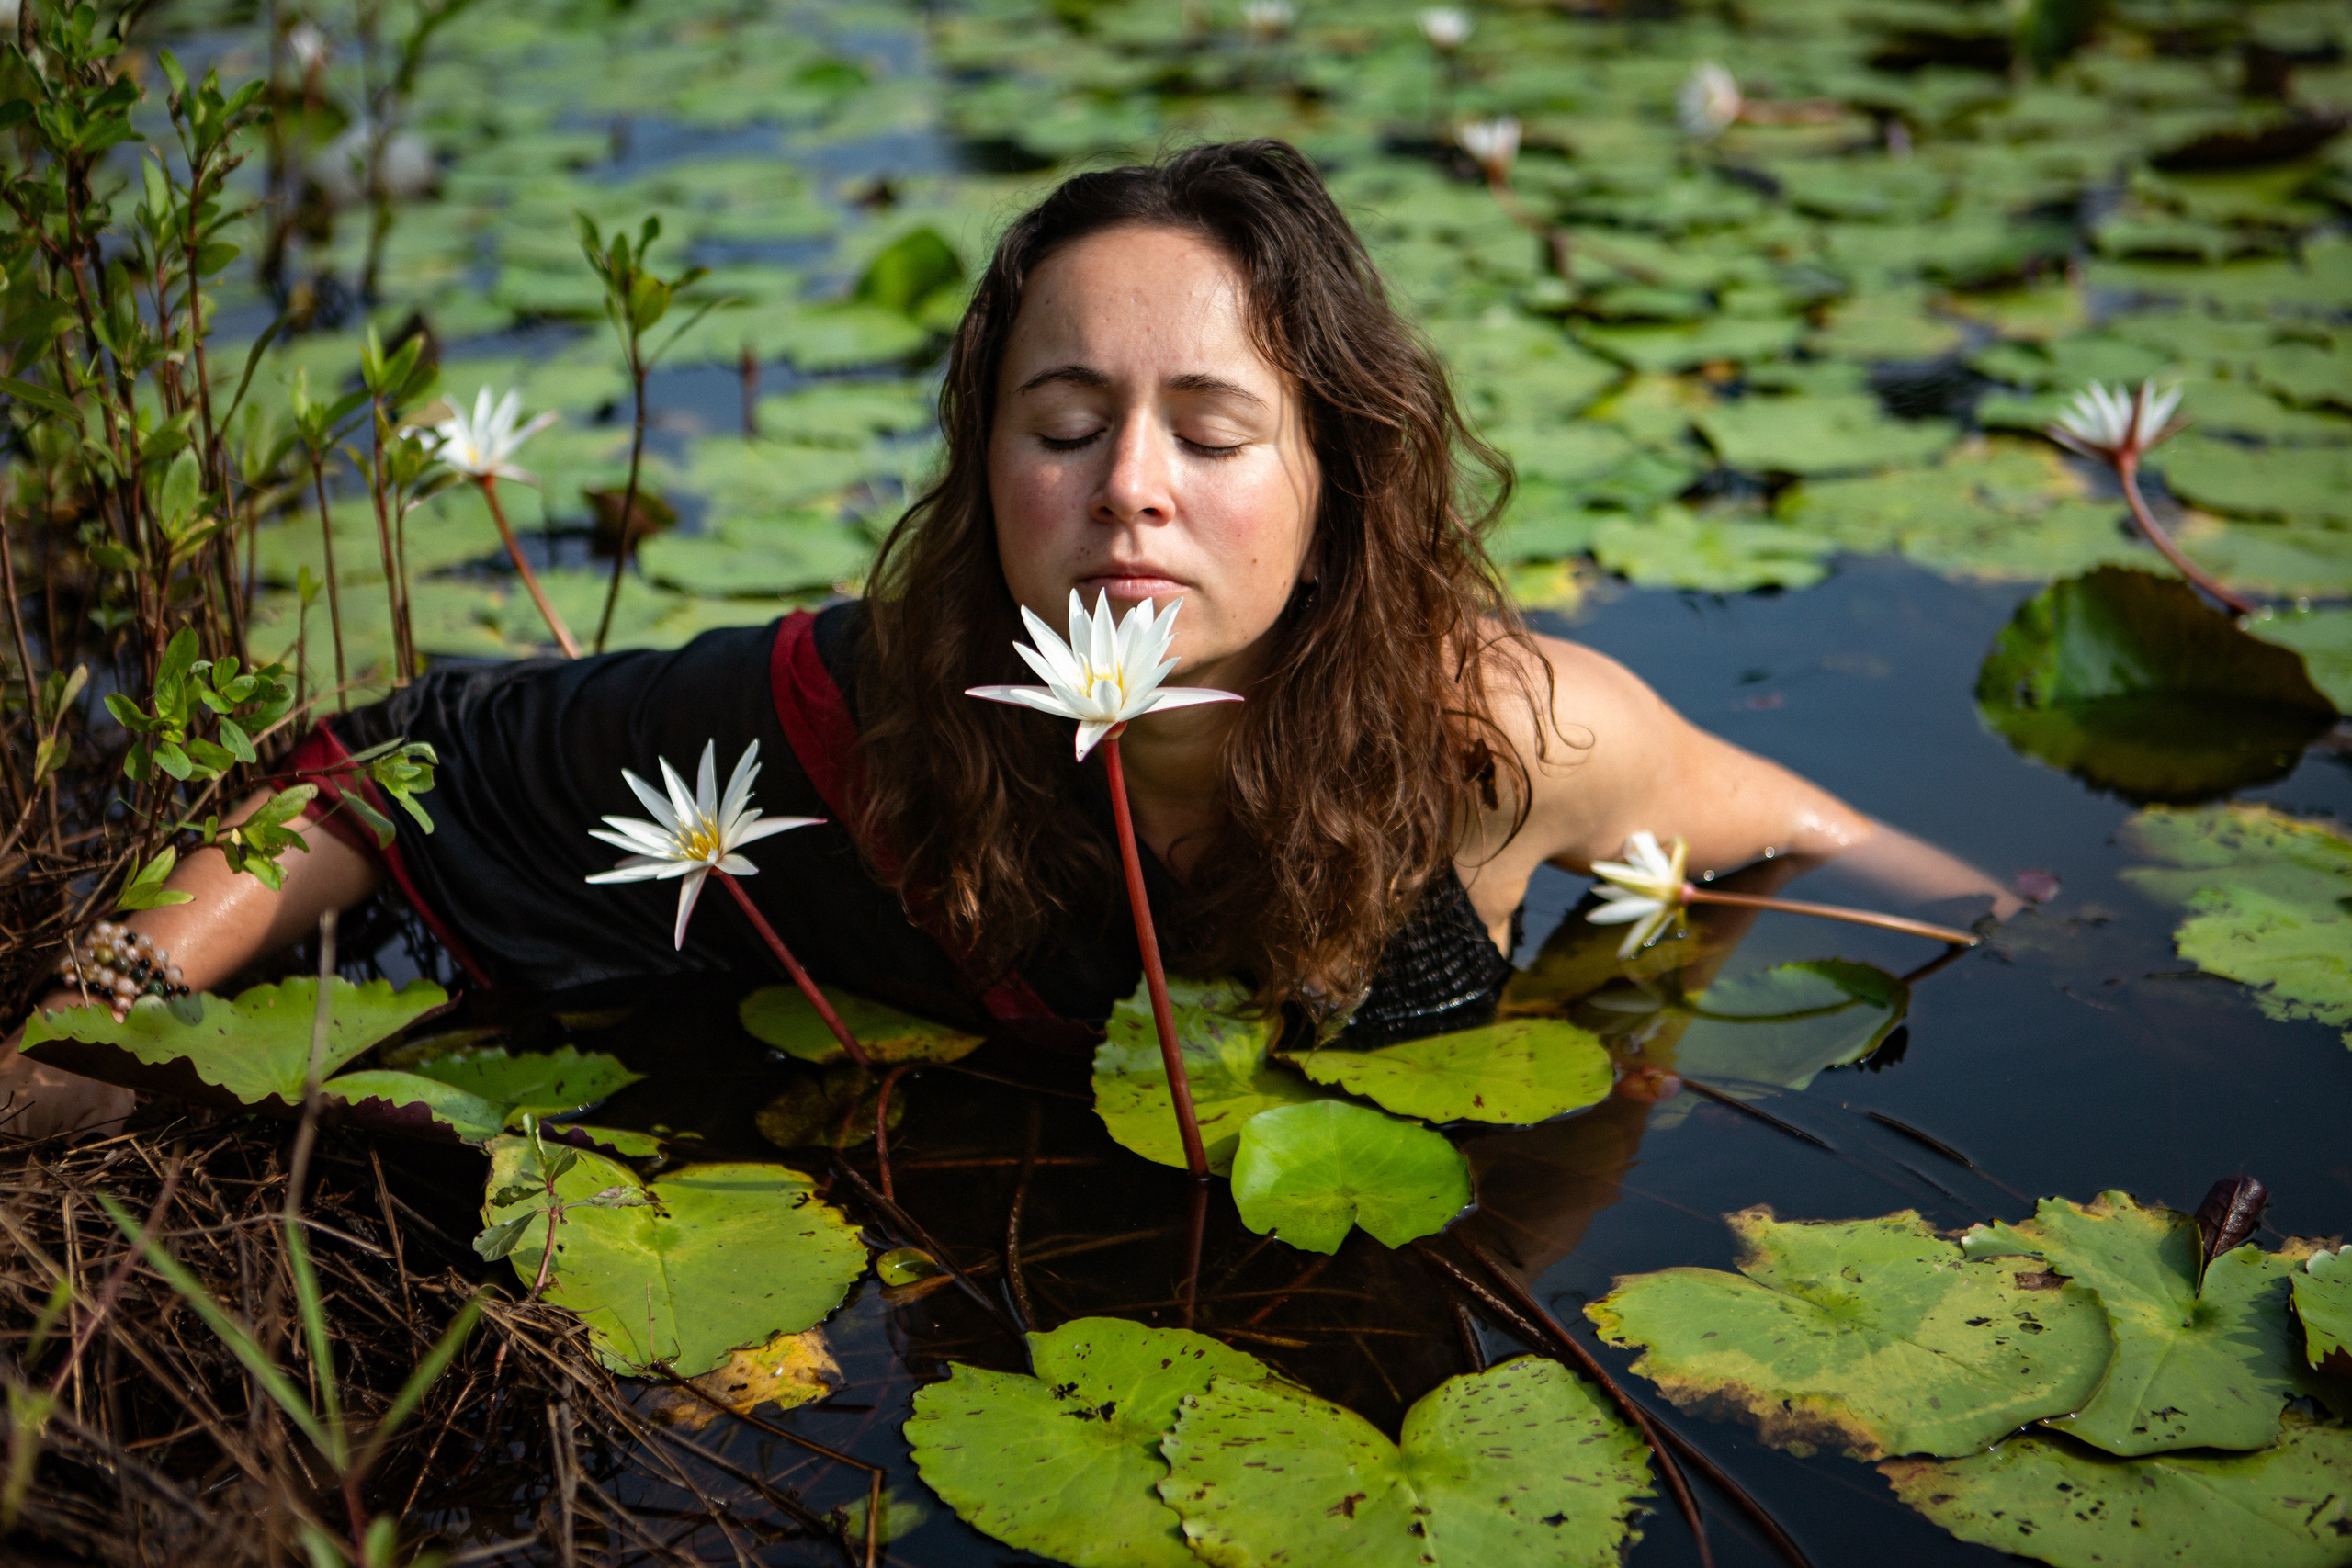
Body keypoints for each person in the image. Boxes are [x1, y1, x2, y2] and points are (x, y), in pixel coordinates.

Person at [2, 141, 2012, 1134]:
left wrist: (2030, 946)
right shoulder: (848, 714)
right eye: (1065, 426)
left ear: (1335, 475)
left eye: (1211, 430)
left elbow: (1801, 836)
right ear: (988, 470)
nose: (1130, 484)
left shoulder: (1500, 729)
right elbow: (394, 747)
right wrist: (97, 1019)